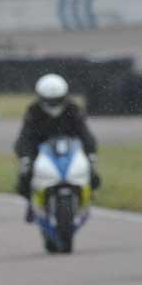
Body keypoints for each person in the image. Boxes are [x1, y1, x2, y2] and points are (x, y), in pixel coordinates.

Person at [15, 73, 100, 222]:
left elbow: (85, 134)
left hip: (70, 148)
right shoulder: (34, 111)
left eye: (57, 100)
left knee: (93, 172)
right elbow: (25, 137)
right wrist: (25, 156)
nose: (53, 105)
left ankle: (88, 196)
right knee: (25, 175)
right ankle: (30, 203)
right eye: (49, 100)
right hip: (41, 148)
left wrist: (91, 152)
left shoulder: (73, 109)